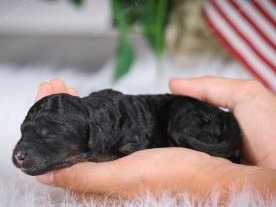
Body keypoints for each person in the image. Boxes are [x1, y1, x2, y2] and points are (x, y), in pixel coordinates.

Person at [34, 76, 276, 199]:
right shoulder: (101, 121)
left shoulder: (129, 121)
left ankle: (223, 153)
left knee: (185, 125)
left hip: (186, 117)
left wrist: (215, 179)